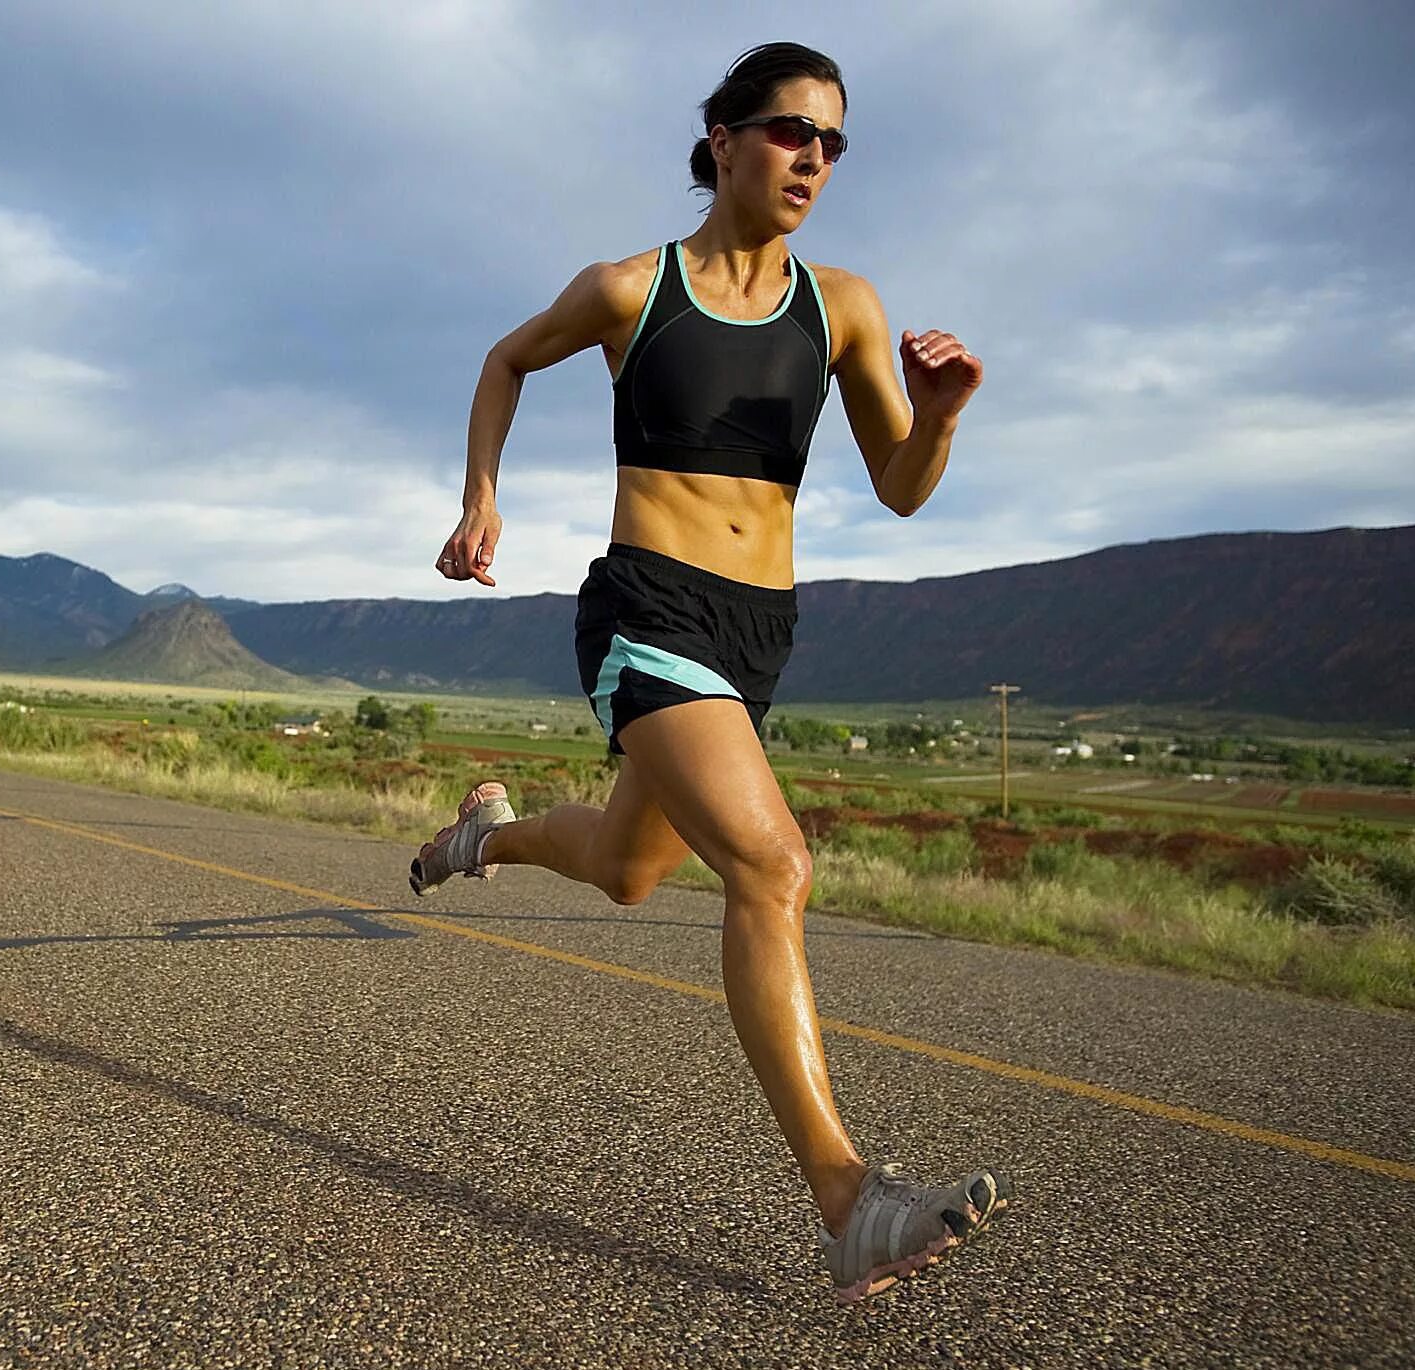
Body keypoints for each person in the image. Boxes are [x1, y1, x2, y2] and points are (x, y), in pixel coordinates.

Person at [409, 42, 1011, 1303]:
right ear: (724, 138)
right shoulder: (634, 289)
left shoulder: (841, 306)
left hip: (757, 631)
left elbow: (901, 491)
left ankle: (485, 837)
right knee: (772, 866)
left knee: (630, 873)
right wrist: (482, 501)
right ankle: (849, 1199)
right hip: (647, 607)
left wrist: (941, 411)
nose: (815, 159)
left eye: (835, 143)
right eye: (793, 132)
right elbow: (506, 359)